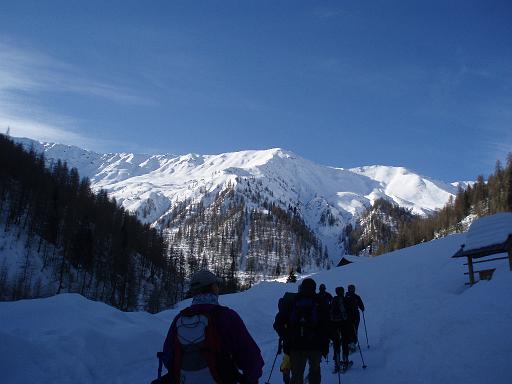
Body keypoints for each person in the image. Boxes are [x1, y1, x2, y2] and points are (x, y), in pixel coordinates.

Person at [161, 270, 264, 384]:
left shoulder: (180, 318)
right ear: (213, 288)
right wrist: (251, 377)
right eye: (217, 285)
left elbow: (168, 356)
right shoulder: (226, 316)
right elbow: (250, 356)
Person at [274, 278, 329, 384]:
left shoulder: (292, 300)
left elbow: (278, 324)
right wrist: (325, 345)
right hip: (315, 345)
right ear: (315, 288)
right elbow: (326, 326)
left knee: (297, 375)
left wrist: (287, 338)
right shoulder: (320, 301)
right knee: (315, 371)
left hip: (296, 345)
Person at [330, 287, 354, 372]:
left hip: (334, 324)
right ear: (342, 292)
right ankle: (345, 361)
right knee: (344, 342)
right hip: (344, 324)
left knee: (336, 344)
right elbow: (350, 311)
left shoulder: (333, 300)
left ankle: (337, 364)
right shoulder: (345, 299)